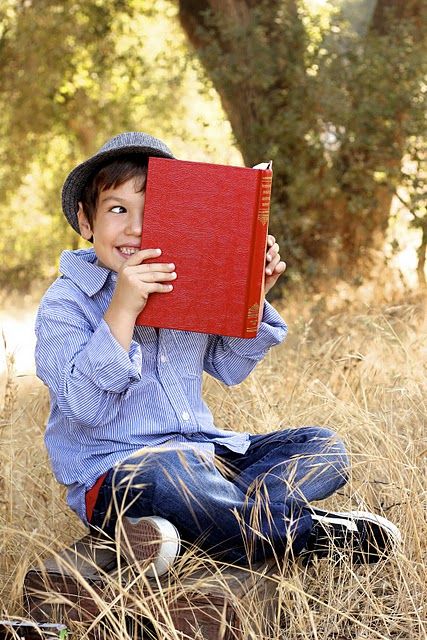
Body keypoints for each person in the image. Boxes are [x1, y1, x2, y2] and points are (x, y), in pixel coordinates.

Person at [35, 131, 400, 576]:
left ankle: (188, 527)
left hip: (208, 457)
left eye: (153, 214)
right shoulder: (66, 303)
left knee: (324, 447)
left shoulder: (188, 279)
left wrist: (250, 292)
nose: (135, 228)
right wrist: (122, 311)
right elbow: (84, 409)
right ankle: (311, 534)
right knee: (170, 475)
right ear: (86, 220)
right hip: (122, 476)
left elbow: (228, 366)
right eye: (118, 209)